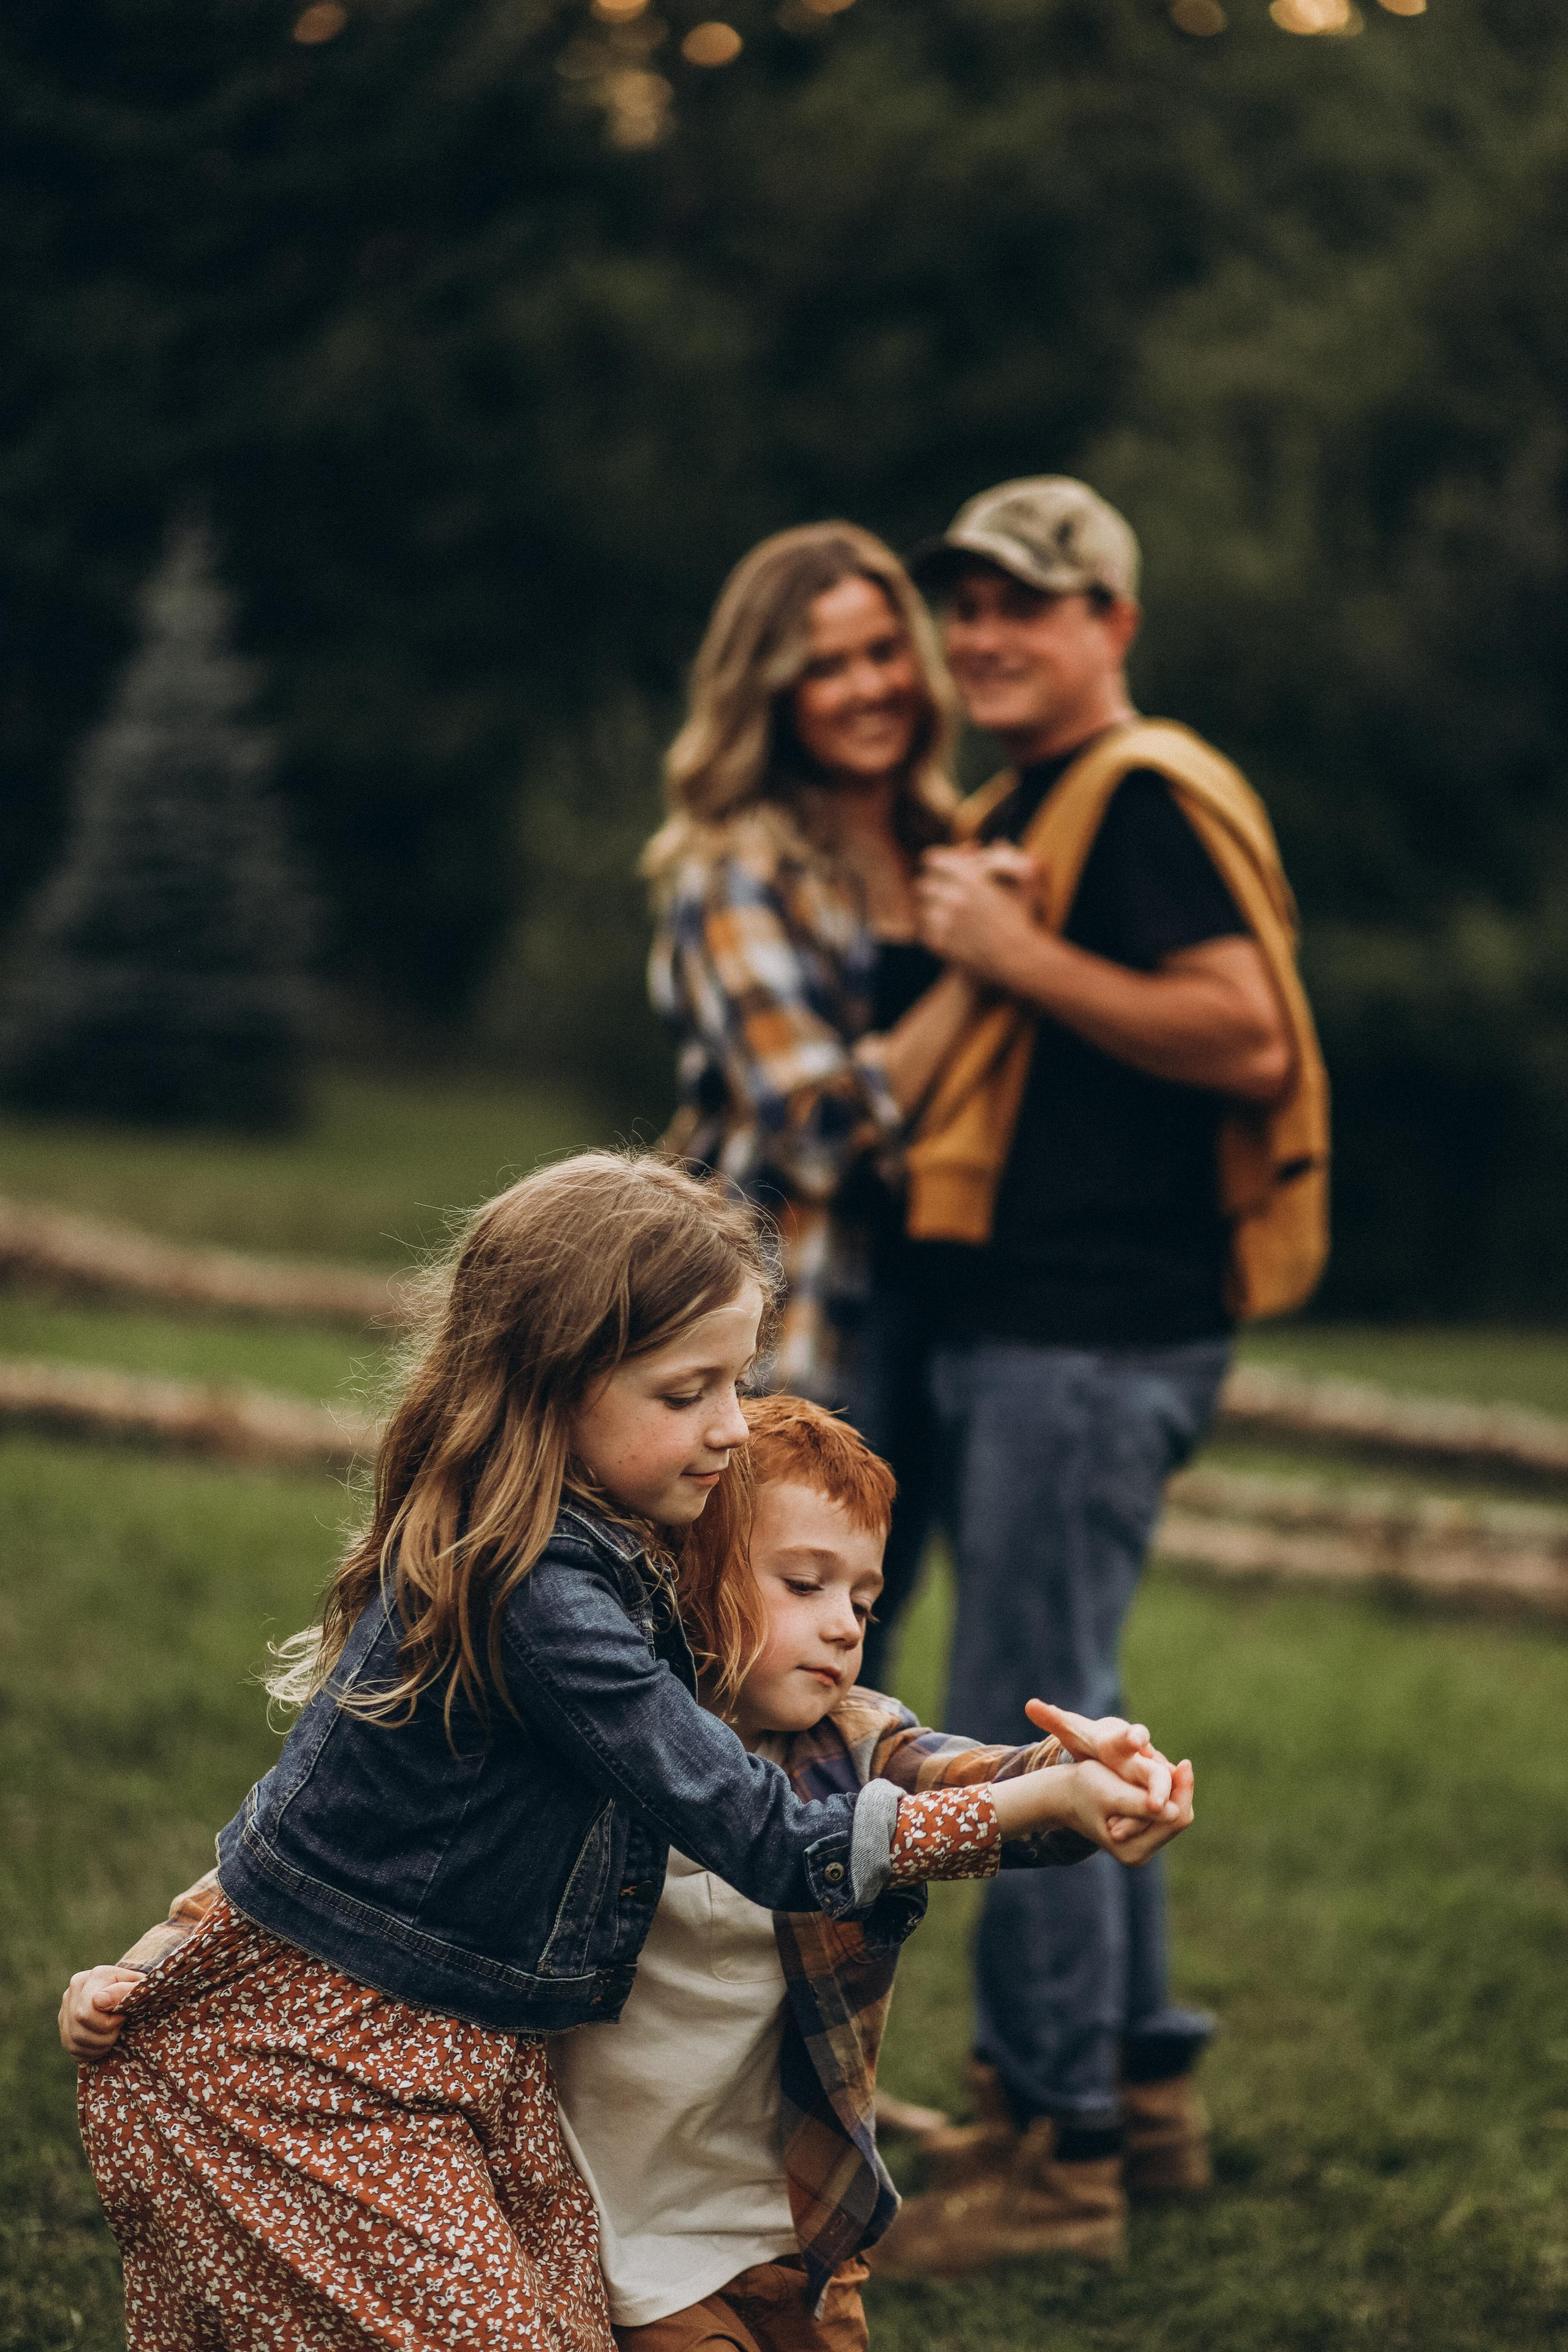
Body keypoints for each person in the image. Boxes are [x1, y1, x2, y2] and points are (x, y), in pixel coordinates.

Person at [64, 1392, 1197, 2345]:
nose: (846, 1626)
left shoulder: (854, 1740)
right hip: (622, 2244)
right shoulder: (583, 1740)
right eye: (802, 1585)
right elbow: (328, 1875)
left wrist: (1086, 1778)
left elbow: (971, 1786)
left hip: (801, 2221)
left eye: (863, 1597)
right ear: (680, 1580)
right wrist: (155, 1960)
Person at [845, 477, 1330, 2272]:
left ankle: (1047, 2159)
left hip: (1091, 1333)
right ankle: (1139, 2092)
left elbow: (1246, 1029)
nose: (984, 637)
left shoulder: (1136, 795)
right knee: (1083, 1700)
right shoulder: (1031, 800)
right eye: (965, 605)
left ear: (1114, 623)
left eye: (1028, 607)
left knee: (1028, 1719)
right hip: (1040, 1332)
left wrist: (1013, 955)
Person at [643, 523, 972, 1479]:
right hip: (802, 1322)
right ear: (774, 694)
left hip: (948, 1312)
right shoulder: (739, 870)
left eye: (884, 651)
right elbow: (815, 1130)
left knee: (871, 1619)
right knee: (765, 1622)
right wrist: (986, 974)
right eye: (827, 666)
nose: (870, 687)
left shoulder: (950, 845)